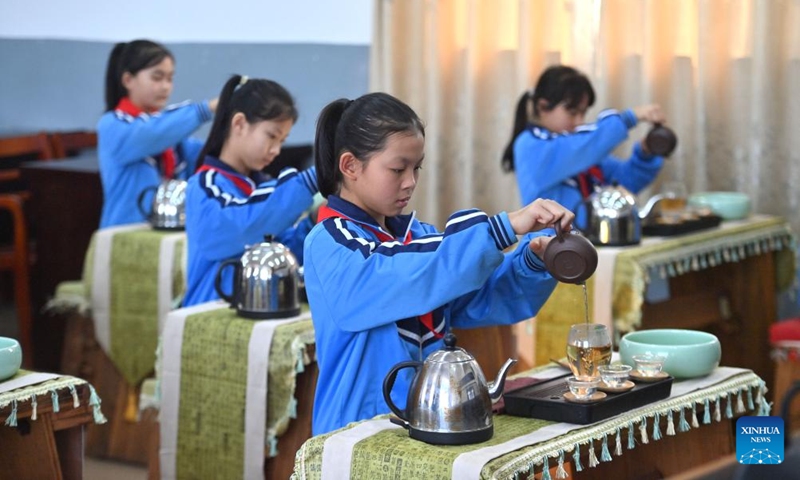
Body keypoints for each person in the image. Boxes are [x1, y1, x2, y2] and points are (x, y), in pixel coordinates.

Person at [304, 92, 575, 435]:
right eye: (397, 169)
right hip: (357, 434)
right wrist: (501, 228)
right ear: (350, 166)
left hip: (426, 428)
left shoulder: (418, 236)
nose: (410, 182)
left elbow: (482, 297)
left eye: (415, 168)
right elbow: (400, 276)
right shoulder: (330, 240)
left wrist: (533, 261)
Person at [182, 75, 318, 307]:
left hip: (253, 312)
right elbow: (243, 226)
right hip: (207, 313)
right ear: (239, 124)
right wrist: (312, 180)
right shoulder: (204, 186)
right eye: (272, 136)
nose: (276, 150)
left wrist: (313, 223)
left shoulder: (260, 187)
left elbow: (277, 250)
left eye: (282, 141)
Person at [501, 65, 667, 229]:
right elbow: (585, 145)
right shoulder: (530, 145)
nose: (580, 122)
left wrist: (645, 154)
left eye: (583, 113)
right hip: (550, 249)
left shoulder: (582, 151)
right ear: (543, 107)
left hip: (591, 243)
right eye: (573, 113)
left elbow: (625, 182)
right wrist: (628, 118)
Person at [97, 39, 218, 228]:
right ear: (128, 80)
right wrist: (208, 109)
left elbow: (208, 153)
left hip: (164, 231)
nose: (165, 87)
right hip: (123, 232)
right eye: (157, 77)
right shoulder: (112, 125)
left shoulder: (170, 132)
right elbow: (151, 134)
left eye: (170, 78)